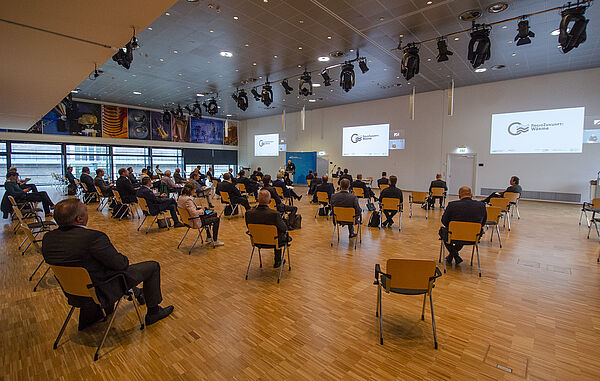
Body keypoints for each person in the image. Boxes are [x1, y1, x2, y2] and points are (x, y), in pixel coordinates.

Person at [41, 198, 174, 329]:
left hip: (74, 291)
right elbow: (121, 264)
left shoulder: (48, 239)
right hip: (102, 289)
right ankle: (153, 312)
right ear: (79, 219)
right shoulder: (93, 238)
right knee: (152, 266)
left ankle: (138, 292)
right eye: (86, 211)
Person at [440, 186, 487, 264]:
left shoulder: (452, 205)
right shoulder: (481, 205)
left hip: (455, 234)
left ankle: (453, 255)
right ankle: (455, 255)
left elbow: (444, 221)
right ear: (471, 195)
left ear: (459, 196)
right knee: (463, 233)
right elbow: (483, 223)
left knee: (443, 232)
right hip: (473, 236)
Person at [245, 189, 291, 268]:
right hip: (273, 241)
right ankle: (278, 260)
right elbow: (284, 228)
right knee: (280, 235)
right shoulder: (274, 214)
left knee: (275, 235)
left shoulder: (248, 213)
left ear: (257, 200)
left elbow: (248, 227)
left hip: (257, 240)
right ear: (269, 201)